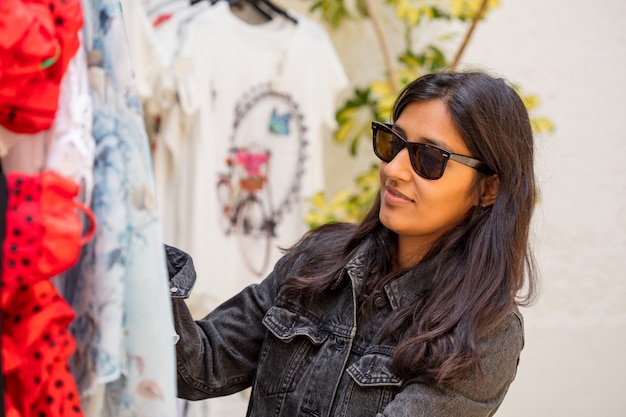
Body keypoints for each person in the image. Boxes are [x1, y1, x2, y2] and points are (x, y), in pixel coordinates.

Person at [166, 70, 538, 416]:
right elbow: (199, 365)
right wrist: (138, 252)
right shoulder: (319, 259)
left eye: (428, 158)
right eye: (393, 143)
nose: (393, 170)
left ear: (488, 188)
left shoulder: (485, 330)